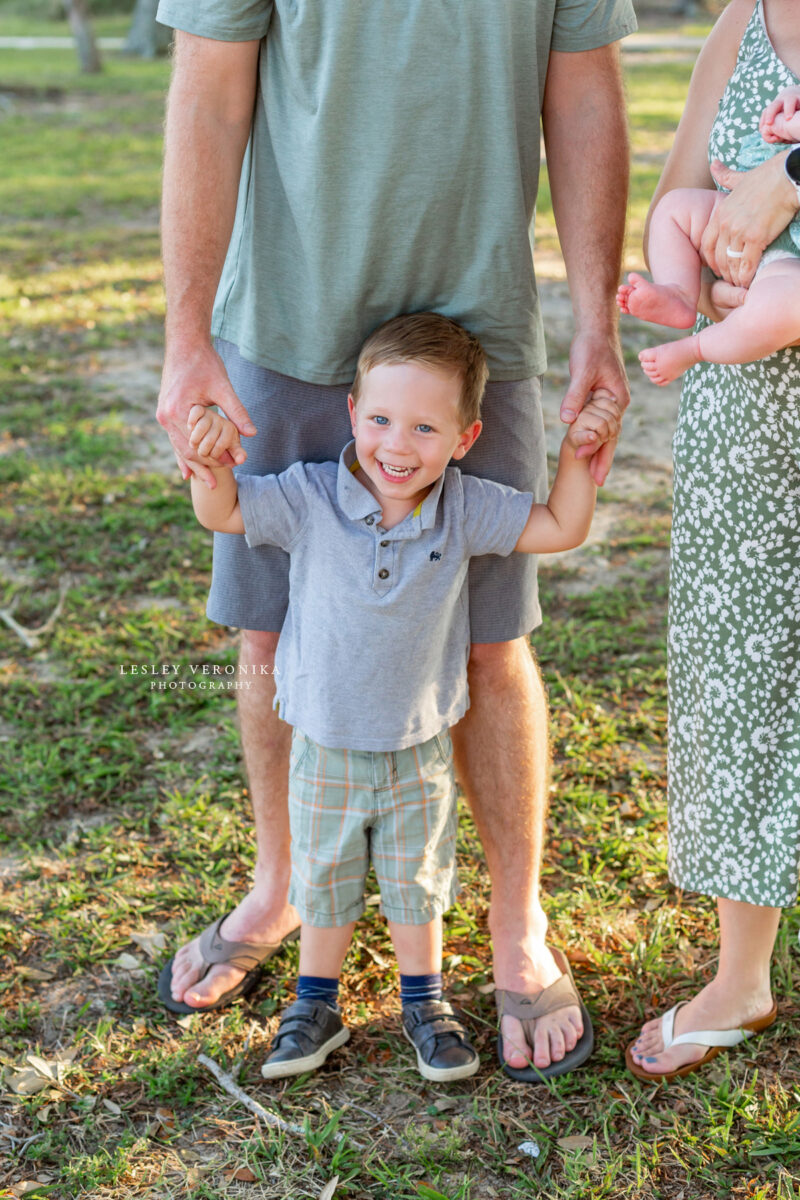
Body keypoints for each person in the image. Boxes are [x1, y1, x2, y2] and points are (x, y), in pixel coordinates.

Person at [153, 0, 637, 1080]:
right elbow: (209, 92)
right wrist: (187, 339)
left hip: (480, 330)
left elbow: (583, 92)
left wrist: (596, 319)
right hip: (285, 320)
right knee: (274, 634)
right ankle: (279, 887)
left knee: (488, 643)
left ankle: (515, 926)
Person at [185, 313, 622, 1081]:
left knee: (418, 880)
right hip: (323, 738)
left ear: (464, 437)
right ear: (351, 413)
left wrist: (585, 454)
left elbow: (559, 525)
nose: (397, 444)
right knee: (321, 878)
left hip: (419, 743)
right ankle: (314, 1004)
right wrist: (209, 460)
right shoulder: (311, 494)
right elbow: (222, 513)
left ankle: (425, 1001)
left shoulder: (463, 505)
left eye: (425, 427)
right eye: (381, 418)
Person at [625, 0, 800, 1084]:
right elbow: (679, 194)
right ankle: (740, 975)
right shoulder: (736, 27)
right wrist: (699, 264)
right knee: (742, 669)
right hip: (748, 413)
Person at [617, 82, 800, 384]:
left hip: (789, 262)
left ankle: (696, 348)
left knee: (785, 305)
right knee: (675, 209)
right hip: (739, 206)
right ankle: (678, 291)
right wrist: (786, 106)